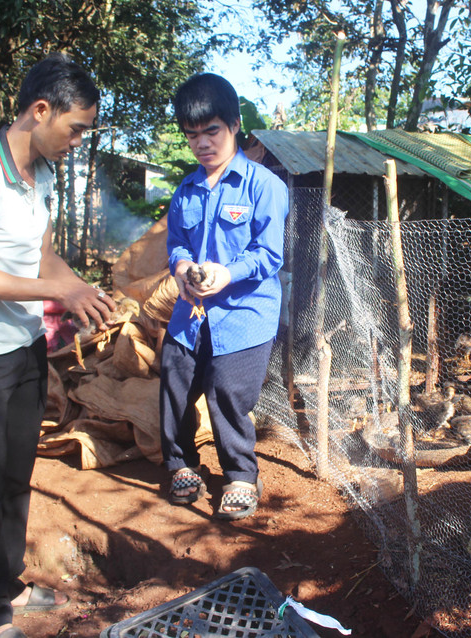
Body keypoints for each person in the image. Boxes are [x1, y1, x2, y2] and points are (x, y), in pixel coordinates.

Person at [0, 54, 116, 638]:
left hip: (23, 345)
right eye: (76, 128)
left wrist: (78, 287)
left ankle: (8, 583)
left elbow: (41, 258)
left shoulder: (39, 178)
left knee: (17, 470)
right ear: (40, 111)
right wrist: (55, 293)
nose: (78, 140)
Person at [160, 73, 288, 521]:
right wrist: (181, 268)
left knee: (228, 392)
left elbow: (270, 254)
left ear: (234, 125)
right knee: (175, 381)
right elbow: (176, 242)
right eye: (192, 135)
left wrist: (226, 273)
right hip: (190, 312)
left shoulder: (263, 186)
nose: (202, 144)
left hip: (244, 312)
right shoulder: (186, 189)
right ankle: (182, 465)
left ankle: (239, 476)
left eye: (211, 131)